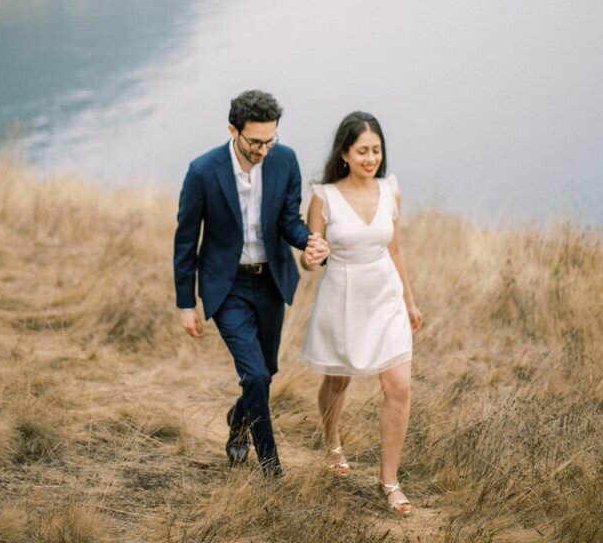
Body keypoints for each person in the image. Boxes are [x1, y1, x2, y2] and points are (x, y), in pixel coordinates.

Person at [173, 90, 329, 476]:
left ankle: (238, 418)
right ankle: (271, 466)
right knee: (256, 375)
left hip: (271, 280)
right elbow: (186, 239)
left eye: (270, 139)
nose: (263, 149)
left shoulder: (285, 160)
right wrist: (185, 303)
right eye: (255, 142)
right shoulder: (203, 171)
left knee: (266, 372)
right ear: (233, 130)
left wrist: (309, 241)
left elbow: (288, 221)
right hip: (227, 288)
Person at [299, 111, 423, 514]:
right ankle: (332, 441)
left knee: (399, 386)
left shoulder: (391, 192)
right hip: (343, 297)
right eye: (362, 151)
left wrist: (409, 301)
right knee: (338, 382)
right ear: (345, 154)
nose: (371, 158)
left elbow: (396, 250)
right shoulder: (324, 197)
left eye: (376, 150)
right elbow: (309, 256)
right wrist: (310, 255)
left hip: (385, 296)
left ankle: (390, 481)